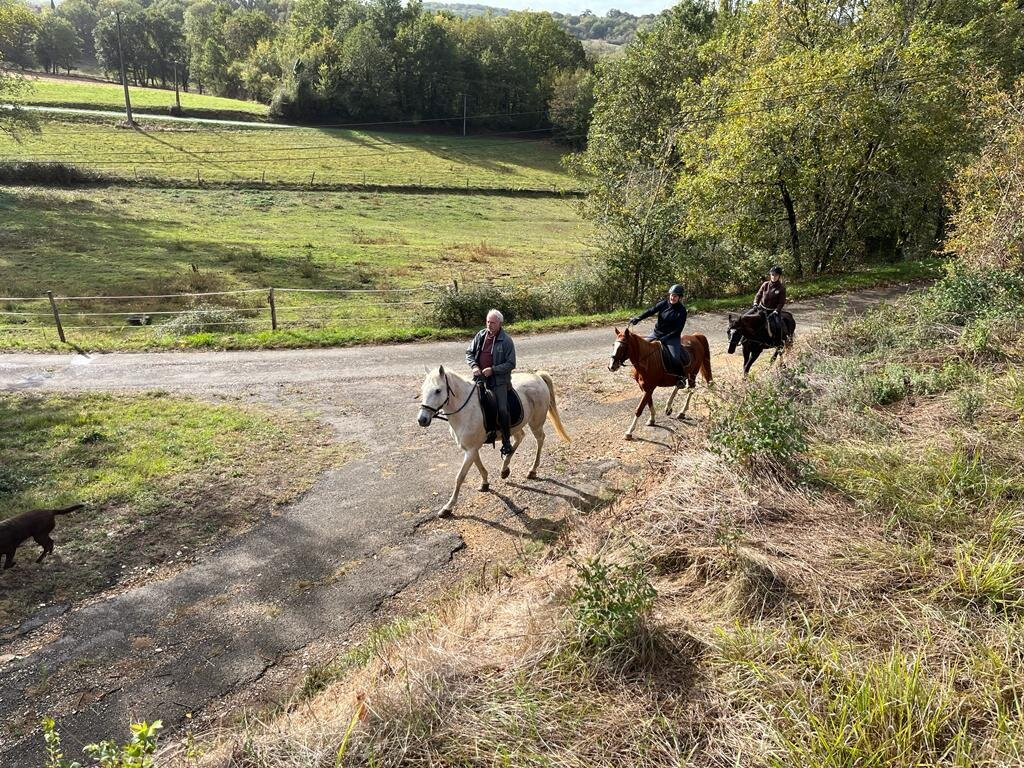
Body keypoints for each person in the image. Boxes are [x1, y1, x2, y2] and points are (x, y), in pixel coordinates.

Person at [466, 308, 517, 456]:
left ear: (500, 323)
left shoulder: (506, 341)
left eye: (493, 322)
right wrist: (474, 366)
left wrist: (493, 370)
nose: (489, 325)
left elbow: (511, 363)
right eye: (488, 322)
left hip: (499, 381)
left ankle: (506, 442)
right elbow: (469, 353)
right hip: (480, 378)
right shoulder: (480, 335)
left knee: (502, 409)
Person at [629, 283, 688, 371]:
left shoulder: (682, 311)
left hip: (671, 338)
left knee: (675, 359)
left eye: (675, 296)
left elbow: (678, 329)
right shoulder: (663, 304)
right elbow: (651, 311)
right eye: (672, 295)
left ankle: (680, 377)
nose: (672, 298)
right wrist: (639, 318)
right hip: (656, 334)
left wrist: (665, 338)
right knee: (640, 349)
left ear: (680, 297)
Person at [753, 266, 787, 340]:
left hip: (773, 311)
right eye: (772, 275)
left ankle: (779, 342)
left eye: (776, 275)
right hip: (761, 309)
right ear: (770, 275)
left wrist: (776, 310)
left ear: (779, 276)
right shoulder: (765, 284)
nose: (774, 277)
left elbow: (781, 302)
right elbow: (758, 295)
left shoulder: (781, 288)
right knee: (748, 319)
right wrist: (755, 303)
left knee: (778, 325)